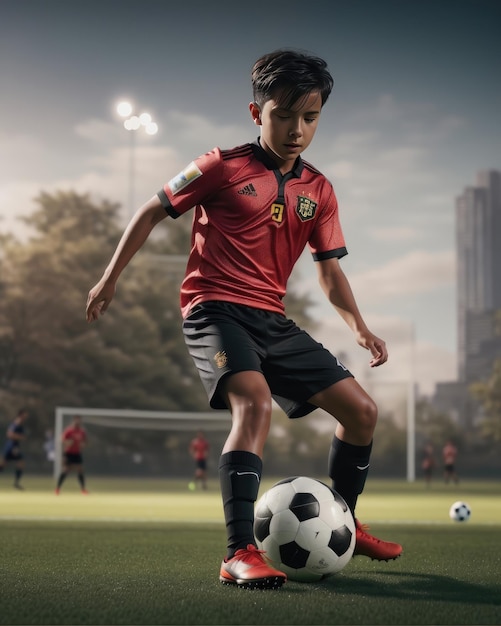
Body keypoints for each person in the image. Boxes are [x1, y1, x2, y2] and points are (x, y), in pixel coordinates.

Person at [86, 48, 402, 590]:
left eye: (311, 117)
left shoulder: (319, 191)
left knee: (363, 412)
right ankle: (238, 553)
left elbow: (329, 274)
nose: (297, 129)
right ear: (258, 114)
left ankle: (341, 522)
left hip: (270, 319)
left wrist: (359, 327)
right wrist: (109, 277)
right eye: (284, 115)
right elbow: (150, 209)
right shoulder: (219, 166)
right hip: (212, 307)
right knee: (254, 403)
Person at [55, 415, 88, 494]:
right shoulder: (69, 430)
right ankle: (57, 489)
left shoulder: (82, 431)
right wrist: (68, 442)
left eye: (79, 420)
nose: (78, 422)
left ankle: (83, 489)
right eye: (76, 420)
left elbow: (85, 441)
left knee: (80, 470)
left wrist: (83, 445)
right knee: (66, 470)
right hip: (69, 453)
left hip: (77, 453)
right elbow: (62, 440)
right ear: (73, 420)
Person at [0, 408, 29, 489]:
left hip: (13, 446)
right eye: (25, 414)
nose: (26, 416)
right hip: (12, 446)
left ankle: (16, 483)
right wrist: (21, 437)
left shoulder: (20, 423)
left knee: (3, 464)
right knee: (21, 461)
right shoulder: (17, 422)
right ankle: (16, 483)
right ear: (21, 414)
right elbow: (10, 434)